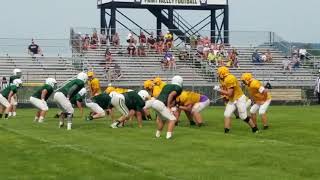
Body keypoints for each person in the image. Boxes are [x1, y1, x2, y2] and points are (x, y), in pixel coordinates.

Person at [213, 66, 259, 133]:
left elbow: (230, 93)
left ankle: (255, 129)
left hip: (239, 98)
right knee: (227, 114)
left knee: (243, 117)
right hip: (232, 99)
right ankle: (226, 132)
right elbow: (225, 86)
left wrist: (219, 89)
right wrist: (220, 87)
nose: (218, 75)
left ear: (222, 73)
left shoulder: (230, 78)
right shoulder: (222, 79)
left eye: (219, 73)